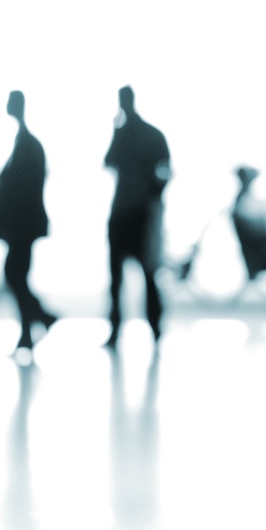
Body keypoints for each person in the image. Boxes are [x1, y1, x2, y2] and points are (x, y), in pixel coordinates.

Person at [103, 85, 171, 347]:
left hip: (136, 213)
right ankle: (132, 327)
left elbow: (165, 170)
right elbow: (109, 161)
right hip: (126, 211)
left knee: (143, 274)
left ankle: (151, 325)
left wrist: (152, 194)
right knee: (124, 276)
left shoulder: (149, 135)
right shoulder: (136, 134)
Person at [0, 90, 57, 350]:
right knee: (16, 275)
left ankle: (33, 326)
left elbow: (22, 190)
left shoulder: (27, 145)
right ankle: (37, 322)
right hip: (21, 226)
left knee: (14, 274)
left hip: (22, 226)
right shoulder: (25, 144)